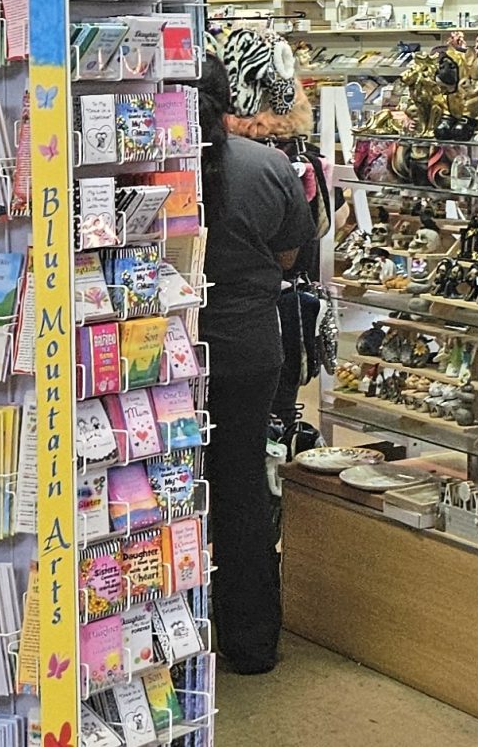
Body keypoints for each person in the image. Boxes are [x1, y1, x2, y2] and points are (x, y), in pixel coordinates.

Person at [198, 55, 317, 675]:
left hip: (166, 356)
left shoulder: (154, 169)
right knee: (242, 484)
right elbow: (292, 252)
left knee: (168, 492)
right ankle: (251, 642)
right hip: (250, 349)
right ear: (230, 103)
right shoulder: (269, 167)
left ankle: (170, 634)